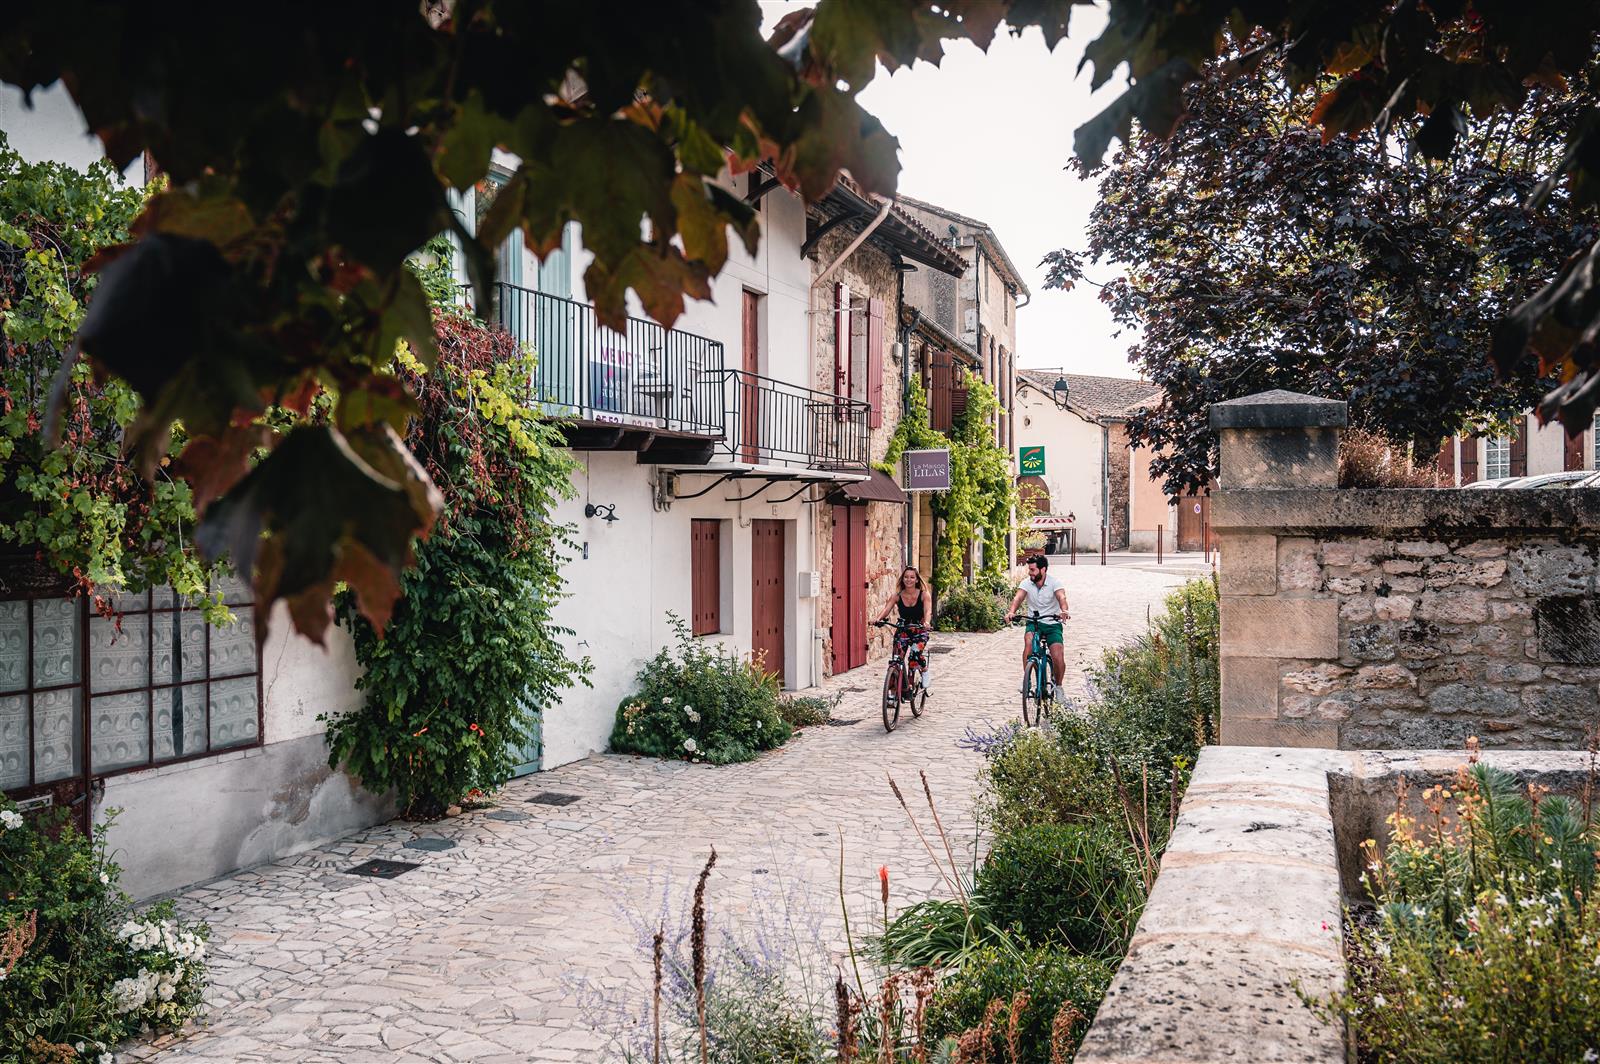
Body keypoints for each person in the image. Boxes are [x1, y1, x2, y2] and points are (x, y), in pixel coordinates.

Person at [1004, 554, 1069, 701]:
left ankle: (1058, 687)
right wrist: (1011, 612)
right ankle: (1027, 681)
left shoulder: (1054, 583)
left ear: (1043, 569)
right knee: (1028, 643)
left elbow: (1061, 597)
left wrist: (1064, 611)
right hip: (1034, 622)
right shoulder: (1027, 583)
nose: (1030, 573)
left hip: (1052, 624)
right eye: (1029, 569)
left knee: (1058, 656)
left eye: (1033, 570)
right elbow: (1018, 598)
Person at [877, 566, 932, 692]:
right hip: (903, 630)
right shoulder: (897, 596)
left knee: (915, 654)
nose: (909, 580)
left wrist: (927, 622)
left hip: (919, 629)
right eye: (906, 577)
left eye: (912, 577)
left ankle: (924, 671)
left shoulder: (924, 595)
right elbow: (886, 609)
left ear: (917, 580)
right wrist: (878, 618)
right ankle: (892, 694)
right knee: (896, 660)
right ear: (902, 579)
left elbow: (927, 610)